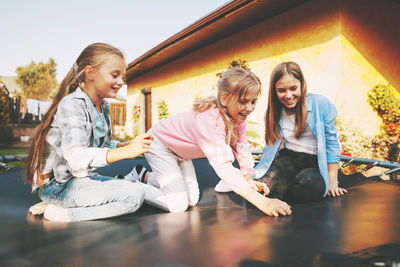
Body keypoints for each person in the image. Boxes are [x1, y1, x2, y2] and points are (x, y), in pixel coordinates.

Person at [125, 68, 292, 216]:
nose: (249, 108)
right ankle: (129, 186)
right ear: (225, 99)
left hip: (181, 153)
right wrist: (263, 202)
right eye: (243, 101)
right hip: (159, 144)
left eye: (253, 101)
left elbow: (243, 149)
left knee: (192, 199)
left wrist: (248, 177)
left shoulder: (238, 117)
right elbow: (223, 166)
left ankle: (143, 175)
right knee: (177, 205)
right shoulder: (210, 120)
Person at [25, 43, 153, 222]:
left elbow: (100, 145)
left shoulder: (103, 106)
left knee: (131, 186)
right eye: (115, 75)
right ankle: (62, 213)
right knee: (134, 196)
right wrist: (126, 152)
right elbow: (77, 156)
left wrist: (126, 145)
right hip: (57, 185)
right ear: (90, 72)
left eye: (123, 76)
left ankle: (65, 203)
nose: (121, 82)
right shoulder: (72, 105)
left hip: (79, 179)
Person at [254, 61, 347, 203]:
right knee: (265, 188)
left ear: (302, 85)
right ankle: (281, 189)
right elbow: (270, 146)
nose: (288, 95)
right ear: (274, 91)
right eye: (282, 90)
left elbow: (331, 143)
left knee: (305, 186)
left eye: (293, 88)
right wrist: (265, 174)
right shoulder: (274, 112)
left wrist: (333, 183)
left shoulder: (319, 104)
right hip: (288, 158)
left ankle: (287, 189)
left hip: (316, 162)